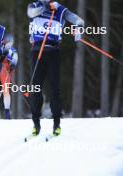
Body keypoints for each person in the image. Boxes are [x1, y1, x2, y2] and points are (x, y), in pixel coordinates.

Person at [27, 0, 84, 136]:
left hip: (53, 51)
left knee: (54, 90)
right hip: (37, 51)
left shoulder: (61, 10)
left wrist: (78, 30)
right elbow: (31, 13)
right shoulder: (35, 6)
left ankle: (56, 123)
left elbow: (79, 21)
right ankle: (36, 123)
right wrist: (47, 7)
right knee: (35, 89)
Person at [0, 34, 18, 119]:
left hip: (5, 70)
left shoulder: (11, 50)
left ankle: (7, 112)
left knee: (5, 91)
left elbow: (15, 58)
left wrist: (13, 64)